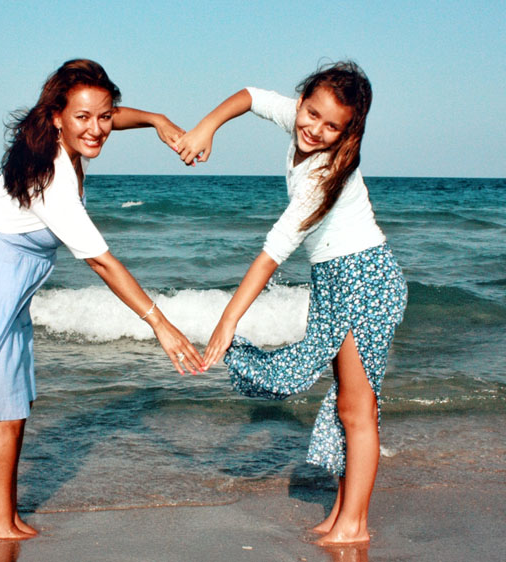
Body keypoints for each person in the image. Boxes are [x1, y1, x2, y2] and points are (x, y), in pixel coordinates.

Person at [0, 59, 204, 540]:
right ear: (57, 115)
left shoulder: (64, 132)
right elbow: (103, 263)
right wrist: (159, 322)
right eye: (84, 118)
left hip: (2, 274)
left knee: (15, 404)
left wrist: (158, 120)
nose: (98, 128)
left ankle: (7, 517)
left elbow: (109, 117)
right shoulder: (52, 176)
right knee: (6, 410)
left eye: (105, 116)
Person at [174, 61, 407, 545]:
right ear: (301, 101)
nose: (316, 130)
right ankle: (343, 511)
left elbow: (273, 252)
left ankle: (355, 524)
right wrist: (204, 129)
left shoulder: (325, 172)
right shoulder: (297, 118)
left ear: (348, 132)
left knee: (358, 408)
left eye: (332, 126)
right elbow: (250, 96)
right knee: (347, 405)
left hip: (365, 278)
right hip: (335, 279)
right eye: (312, 114)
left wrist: (227, 321)